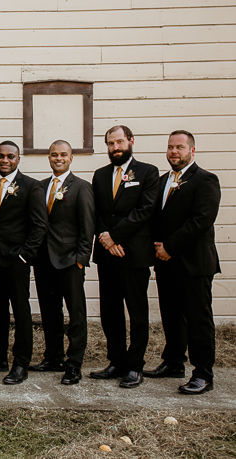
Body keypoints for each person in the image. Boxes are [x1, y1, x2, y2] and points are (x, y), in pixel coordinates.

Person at [145, 130, 221, 395]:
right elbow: (156, 218)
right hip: (166, 262)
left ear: (192, 150)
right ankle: (174, 362)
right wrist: (157, 248)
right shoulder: (162, 180)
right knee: (171, 316)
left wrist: (170, 247)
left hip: (194, 263)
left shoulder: (205, 180)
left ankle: (203, 374)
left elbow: (201, 221)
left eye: (179, 147)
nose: (173, 152)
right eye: (170, 147)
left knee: (198, 320)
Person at [89, 126, 159, 388]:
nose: (115, 147)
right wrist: (105, 237)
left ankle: (134, 365)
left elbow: (145, 209)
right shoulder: (100, 175)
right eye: (110, 143)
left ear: (131, 141)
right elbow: (96, 212)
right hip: (107, 254)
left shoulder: (147, 172)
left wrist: (115, 236)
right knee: (110, 310)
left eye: (119, 142)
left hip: (134, 252)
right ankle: (116, 361)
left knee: (137, 311)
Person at [0, 141, 47, 385]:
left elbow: (40, 225)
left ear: (18, 159)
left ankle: (21, 363)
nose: (4, 160)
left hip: (17, 260)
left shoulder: (31, 186)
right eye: (0, 156)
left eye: (10, 156)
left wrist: (24, 255)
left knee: (21, 312)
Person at [32, 140, 94, 385]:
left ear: (71, 158)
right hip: (43, 260)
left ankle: (74, 363)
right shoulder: (40, 187)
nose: (58, 158)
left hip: (70, 261)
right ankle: (53, 357)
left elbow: (88, 226)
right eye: (54, 154)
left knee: (76, 314)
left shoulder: (81, 187)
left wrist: (81, 259)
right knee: (50, 312)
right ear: (48, 157)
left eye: (63, 154)